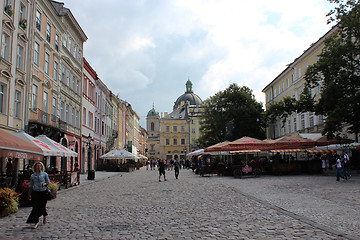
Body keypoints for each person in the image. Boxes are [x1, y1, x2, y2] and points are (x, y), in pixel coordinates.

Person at [26, 162, 50, 229]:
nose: (38, 167)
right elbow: (31, 185)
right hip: (35, 192)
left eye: (39, 166)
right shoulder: (33, 175)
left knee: (42, 206)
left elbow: (48, 182)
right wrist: (29, 194)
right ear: (35, 167)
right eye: (37, 166)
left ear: (41, 167)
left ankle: (44, 215)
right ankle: (36, 222)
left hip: (43, 192)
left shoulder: (44, 174)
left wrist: (44, 184)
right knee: (35, 207)